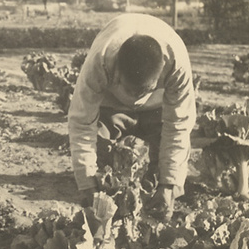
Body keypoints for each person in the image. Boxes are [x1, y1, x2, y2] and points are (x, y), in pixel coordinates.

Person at [68, 13, 196, 221]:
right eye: (130, 90)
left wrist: (168, 186)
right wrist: (88, 185)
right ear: (116, 74)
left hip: (157, 109)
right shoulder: (100, 59)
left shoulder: (176, 63)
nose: (136, 100)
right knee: (102, 170)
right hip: (112, 106)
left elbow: (179, 124)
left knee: (157, 177)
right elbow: (82, 122)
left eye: (143, 92)